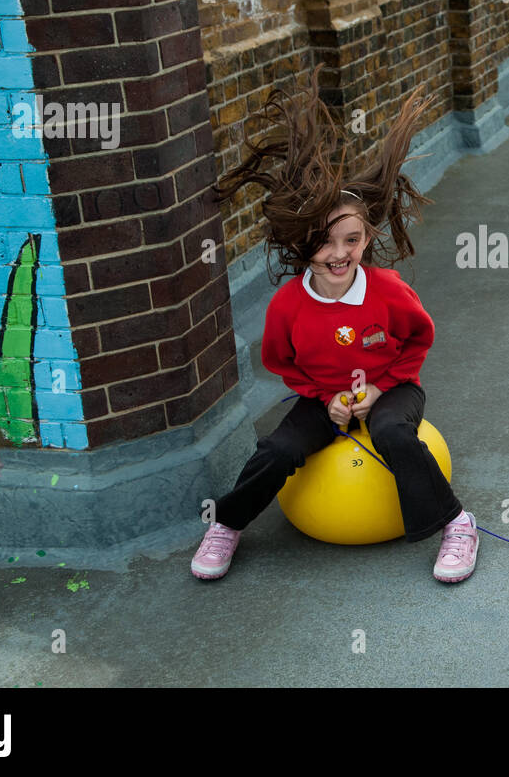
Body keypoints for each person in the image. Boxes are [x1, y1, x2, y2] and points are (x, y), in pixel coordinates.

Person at [190, 67, 478, 583]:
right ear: (305, 243)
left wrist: (384, 386)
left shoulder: (387, 288)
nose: (339, 254)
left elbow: (419, 335)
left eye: (351, 240)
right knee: (277, 448)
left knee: (391, 429)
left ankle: (456, 523)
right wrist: (323, 398)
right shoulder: (287, 305)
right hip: (324, 397)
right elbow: (280, 361)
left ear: (365, 239)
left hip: (395, 388)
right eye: (326, 242)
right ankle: (227, 525)